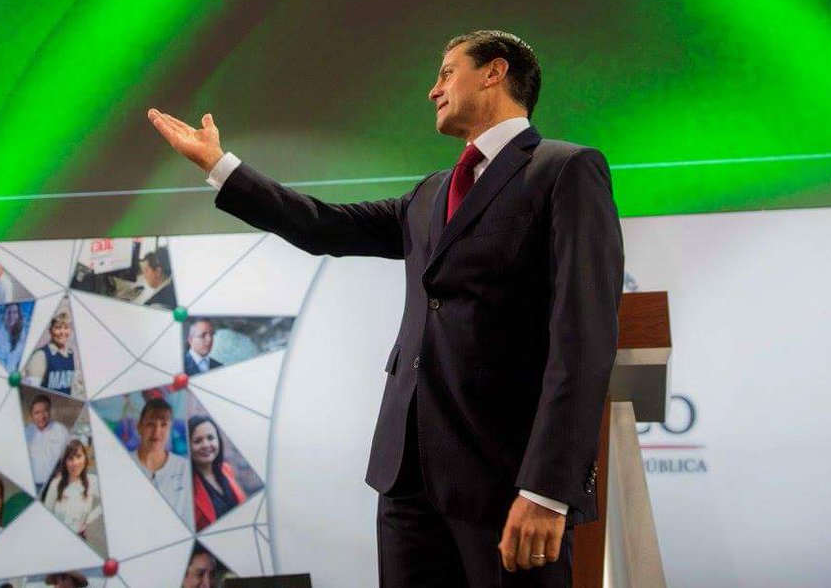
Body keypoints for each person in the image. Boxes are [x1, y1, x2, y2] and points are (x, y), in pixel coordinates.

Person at [149, 29, 623, 586]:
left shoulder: (565, 170)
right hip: (406, 480)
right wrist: (220, 165)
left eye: (447, 73)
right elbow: (324, 226)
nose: (433, 90)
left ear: (494, 73)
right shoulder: (429, 193)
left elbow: (583, 337)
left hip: (506, 479)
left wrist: (547, 489)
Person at [129, 398, 192, 526]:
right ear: (139, 427)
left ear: (170, 429)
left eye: (163, 425)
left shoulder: (184, 468)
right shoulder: (124, 464)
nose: (156, 432)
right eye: (150, 424)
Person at [188, 415, 248, 530]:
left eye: (210, 438)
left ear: (218, 440)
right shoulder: (187, 487)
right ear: (188, 446)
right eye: (197, 441)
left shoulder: (226, 469)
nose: (206, 445)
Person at [42, 441, 101, 539]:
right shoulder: (56, 483)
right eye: (70, 458)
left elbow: (109, 501)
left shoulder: (93, 481)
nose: (75, 463)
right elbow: (46, 514)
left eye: (78, 456)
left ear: (85, 458)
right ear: (65, 462)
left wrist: (89, 519)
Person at [23, 311, 82, 397]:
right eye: (58, 328)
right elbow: (31, 393)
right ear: (50, 330)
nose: (62, 332)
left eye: (66, 328)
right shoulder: (40, 356)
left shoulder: (70, 355)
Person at [25, 394, 71, 494]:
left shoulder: (61, 430)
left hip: (55, 484)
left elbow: (70, 455)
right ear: (31, 415)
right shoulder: (26, 432)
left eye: (45, 411)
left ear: (50, 412)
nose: (41, 417)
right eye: (37, 413)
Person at [0, 303, 27, 371]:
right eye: (9, 312)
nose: (11, 316)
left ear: (19, 315)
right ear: (4, 314)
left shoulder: (24, 337)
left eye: (15, 312)